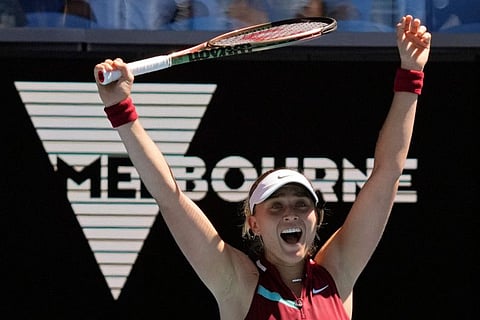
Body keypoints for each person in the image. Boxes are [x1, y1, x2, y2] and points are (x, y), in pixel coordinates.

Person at [93, 14, 431, 319]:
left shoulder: (338, 273)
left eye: (302, 204)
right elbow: (170, 198)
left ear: (317, 218)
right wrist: (121, 110)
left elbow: (387, 174)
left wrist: (411, 73)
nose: (291, 213)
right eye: (276, 205)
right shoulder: (238, 282)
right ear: (253, 223)